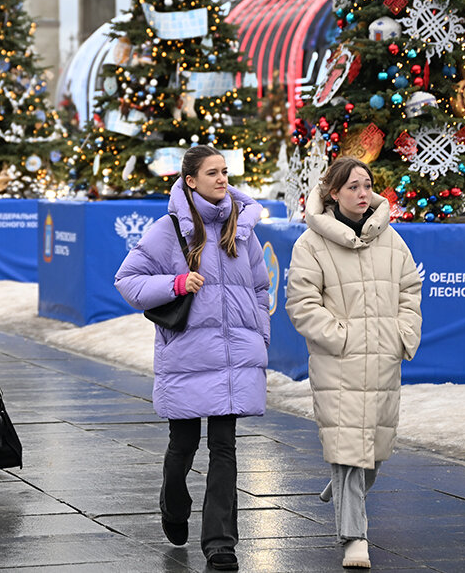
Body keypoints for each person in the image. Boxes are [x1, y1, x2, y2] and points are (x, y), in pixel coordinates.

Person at [114, 145, 270, 572]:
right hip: (186, 356)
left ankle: (221, 543)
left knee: (224, 447)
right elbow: (128, 280)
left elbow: (260, 287)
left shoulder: (243, 228)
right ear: (190, 180)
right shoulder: (168, 230)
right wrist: (178, 283)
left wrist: (261, 336)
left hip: (235, 358)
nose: (222, 179)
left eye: (224, 172)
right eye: (212, 173)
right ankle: (172, 504)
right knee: (183, 444)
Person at [285, 157, 423, 570]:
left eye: (367, 186)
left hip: (383, 360)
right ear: (334, 193)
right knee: (349, 452)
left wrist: (402, 334)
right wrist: (342, 336)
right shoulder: (311, 244)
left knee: (375, 452)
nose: (363, 194)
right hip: (339, 364)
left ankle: (343, 490)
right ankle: (354, 538)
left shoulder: (391, 239)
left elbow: (409, 290)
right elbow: (302, 304)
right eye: (353, 187)